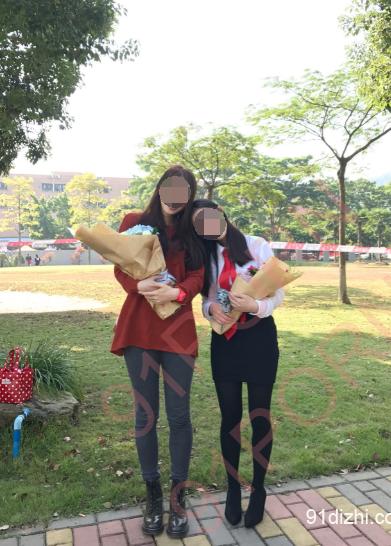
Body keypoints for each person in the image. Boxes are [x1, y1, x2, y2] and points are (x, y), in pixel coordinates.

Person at [111, 165, 205, 538]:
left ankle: (178, 499)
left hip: (179, 334)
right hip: (140, 330)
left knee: (179, 416)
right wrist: (140, 286)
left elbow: (200, 275)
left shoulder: (193, 230)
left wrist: (178, 292)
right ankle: (153, 497)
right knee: (145, 416)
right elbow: (121, 269)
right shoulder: (133, 222)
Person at [192, 199, 284, 529]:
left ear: (221, 213)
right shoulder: (205, 255)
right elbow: (205, 298)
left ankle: (258, 489)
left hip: (259, 338)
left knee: (259, 416)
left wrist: (255, 305)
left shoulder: (257, 245)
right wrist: (210, 310)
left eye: (208, 217)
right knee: (230, 417)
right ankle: (232, 488)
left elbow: (278, 293)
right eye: (198, 224)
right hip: (225, 341)